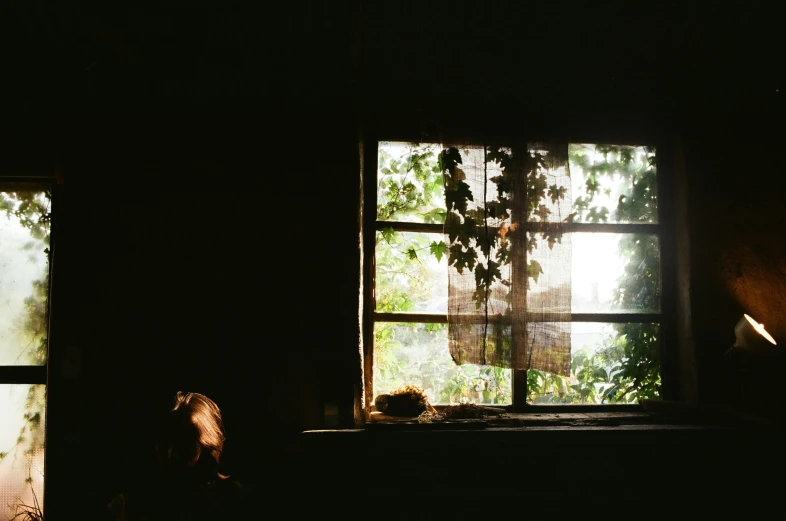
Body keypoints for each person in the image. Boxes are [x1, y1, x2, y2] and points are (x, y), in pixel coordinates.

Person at [106, 391, 247, 521]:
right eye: (166, 440)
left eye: (183, 442)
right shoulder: (128, 506)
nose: (170, 452)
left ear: (205, 445)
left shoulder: (231, 500)